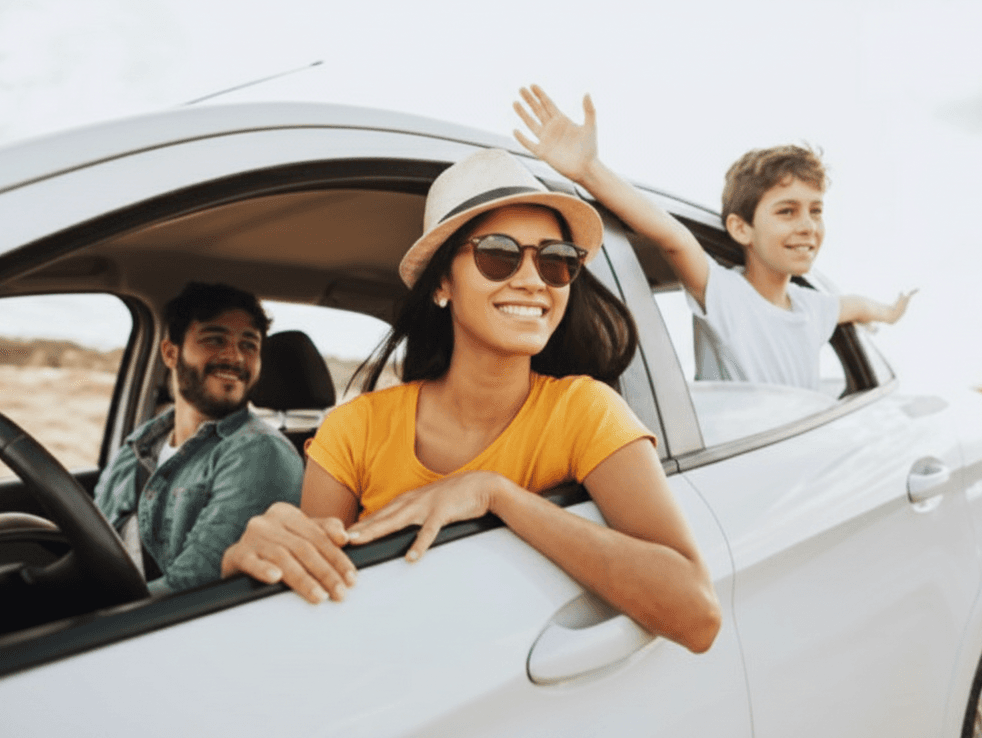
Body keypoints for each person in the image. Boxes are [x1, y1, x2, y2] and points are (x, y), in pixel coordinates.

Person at [221, 148, 721, 653]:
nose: (531, 279)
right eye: (499, 254)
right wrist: (254, 562)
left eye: (556, 261)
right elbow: (310, 601)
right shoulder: (353, 431)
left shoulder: (585, 411)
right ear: (442, 283)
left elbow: (696, 615)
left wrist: (496, 494)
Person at [513, 84, 916, 391]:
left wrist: (889, 312)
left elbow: (857, 306)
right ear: (741, 228)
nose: (808, 225)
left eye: (816, 210)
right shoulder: (725, 295)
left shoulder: (813, 307)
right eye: (787, 211)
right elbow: (674, 238)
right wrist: (588, 171)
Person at [94, 282, 303, 593]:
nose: (234, 357)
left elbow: (190, 591)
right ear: (170, 353)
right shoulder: (142, 442)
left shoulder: (258, 452)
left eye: (249, 345)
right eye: (214, 339)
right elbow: (91, 535)